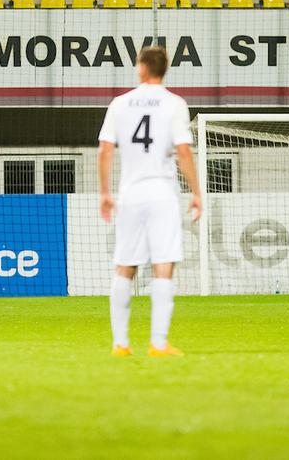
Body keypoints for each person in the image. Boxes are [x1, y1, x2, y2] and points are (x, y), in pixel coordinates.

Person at [97, 46, 202, 357]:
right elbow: (183, 152)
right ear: (164, 69)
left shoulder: (120, 103)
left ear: (141, 67)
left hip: (130, 193)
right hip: (162, 192)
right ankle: (158, 343)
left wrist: (105, 193)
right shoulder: (175, 104)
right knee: (163, 266)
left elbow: (104, 150)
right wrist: (197, 192)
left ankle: (120, 343)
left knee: (124, 266)